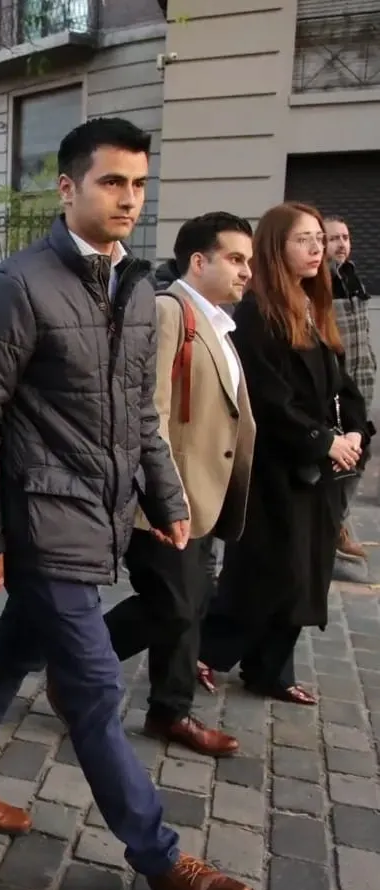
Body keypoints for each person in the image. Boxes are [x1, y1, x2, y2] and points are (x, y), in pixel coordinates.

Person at [0, 117, 255, 890]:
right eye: (112, 182)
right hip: (40, 521)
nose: (128, 199)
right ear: (68, 188)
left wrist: (168, 500)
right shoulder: (19, 285)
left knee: (16, 644)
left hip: (101, 512)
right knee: (97, 690)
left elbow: (139, 412)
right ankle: (164, 859)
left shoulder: (134, 287)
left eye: (138, 184)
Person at [199, 203, 371, 703]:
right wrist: (324, 441)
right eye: (304, 239)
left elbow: (344, 384)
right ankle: (207, 651)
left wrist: (356, 432)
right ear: (277, 247)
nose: (318, 248)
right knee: (267, 571)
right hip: (275, 467)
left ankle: (271, 669)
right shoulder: (257, 313)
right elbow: (270, 400)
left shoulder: (314, 307)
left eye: (320, 238)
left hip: (315, 472)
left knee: (307, 572)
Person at [103, 213, 256, 758]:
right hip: (168, 498)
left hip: (205, 496)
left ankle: (169, 709)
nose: (246, 272)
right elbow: (151, 413)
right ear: (200, 260)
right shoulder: (172, 312)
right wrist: (161, 496)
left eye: (249, 262)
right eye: (236, 259)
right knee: (172, 604)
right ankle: (85, 665)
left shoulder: (218, 323)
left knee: (187, 604)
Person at [323, 215, 375, 561]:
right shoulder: (317, 282)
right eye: (334, 238)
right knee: (338, 462)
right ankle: (331, 529)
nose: (342, 244)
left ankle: (335, 525)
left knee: (360, 454)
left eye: (345, 237)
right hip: (334, 385)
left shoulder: (351, 276)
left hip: (362, 380)